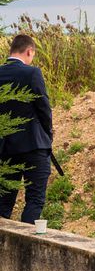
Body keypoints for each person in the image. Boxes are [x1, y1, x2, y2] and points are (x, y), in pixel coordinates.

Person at [0, 34, 53, 224]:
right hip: (34, 145)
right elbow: (43, 109)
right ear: (29, 51)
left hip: (5, 148)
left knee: (3, 203)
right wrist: (48, 135)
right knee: (35, 199)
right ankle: (27, 243)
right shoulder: (32, 73)